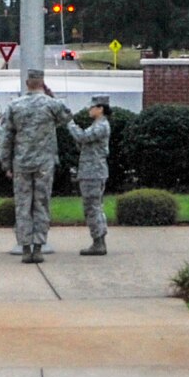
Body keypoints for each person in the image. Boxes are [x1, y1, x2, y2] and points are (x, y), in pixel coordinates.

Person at [0, 68, 68, 265]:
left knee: (23, 205)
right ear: (42, 83)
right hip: (44, 162)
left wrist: (5, 162)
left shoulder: (15, 105)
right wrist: (52, 95)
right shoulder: (51, 104)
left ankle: (25, 248)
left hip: (21, 162)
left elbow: (6, 137)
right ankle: (38, 247)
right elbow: (66, 117)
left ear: (27, 83)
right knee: (41, 203)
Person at [66, 95, 112, 256]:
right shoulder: (98, 125)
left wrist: (69, 123)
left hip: (93, 172)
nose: (89, 110)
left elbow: (82, 137)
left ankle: (98, 242)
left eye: (92, 107)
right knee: (96, 207)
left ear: (100, 109)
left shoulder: (101, 126)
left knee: (92, 208)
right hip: (93, 171)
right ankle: (99, 240)